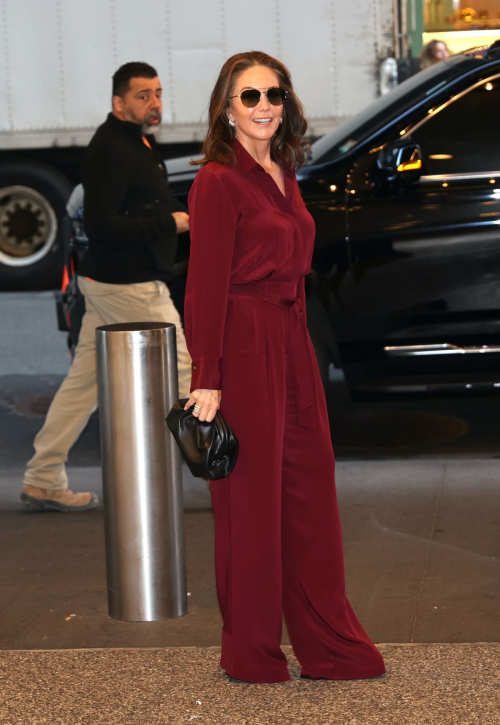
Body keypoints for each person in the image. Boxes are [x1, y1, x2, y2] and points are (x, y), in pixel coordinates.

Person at [183, 51, 386, 683]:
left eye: (274, 94)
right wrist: (206, 377)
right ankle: (252, 651)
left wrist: (303, 352)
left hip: (292, 340)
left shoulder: (283, 172)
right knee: (251, 507)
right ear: (226, 108)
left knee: (309, 497)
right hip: (242, 347)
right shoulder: (217, 181)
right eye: (250, 97)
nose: (265, 106)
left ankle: (329, 645)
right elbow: (204, 286)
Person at [21, 62, 191, 513]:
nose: (153, 102)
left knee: (82, 388)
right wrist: (169, 222)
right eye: (142, 95)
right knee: (188, 376)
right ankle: (222, 477)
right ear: (119, 102)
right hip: (128, 286)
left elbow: (147, 200)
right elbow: (102, 224)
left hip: (111, 284)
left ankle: (42, 477)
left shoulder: (136, 142)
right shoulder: (110, 150)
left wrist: (182, 214)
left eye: (157, 92)